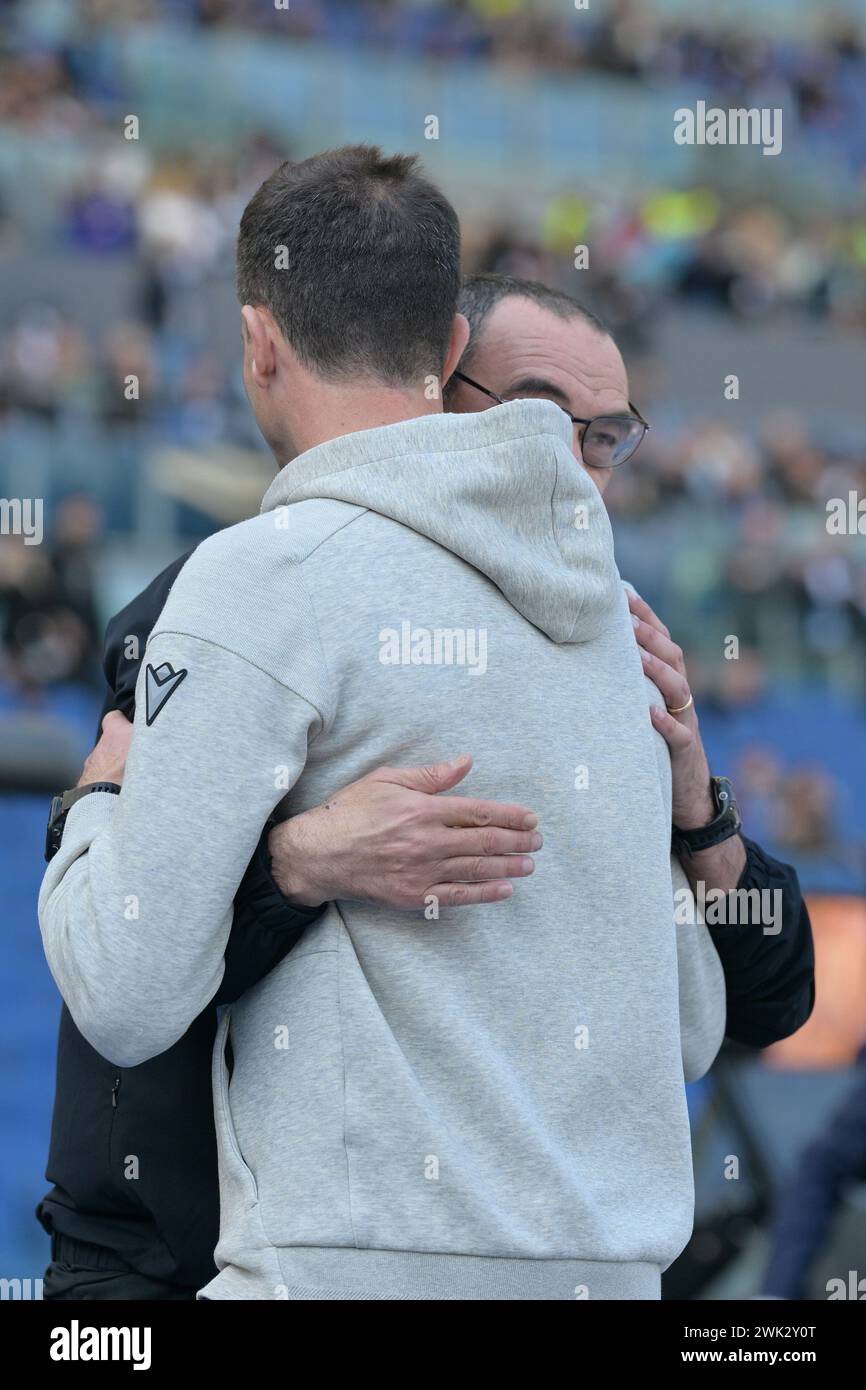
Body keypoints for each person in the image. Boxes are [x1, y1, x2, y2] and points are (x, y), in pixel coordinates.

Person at [446, 272, 815, 1049]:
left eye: (604, 438)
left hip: (623, 1163)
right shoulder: (309, 585)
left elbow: (775, 1004)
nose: (575, 468)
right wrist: (302, 865)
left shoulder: (628, 630)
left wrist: (700, 817)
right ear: (438, 389)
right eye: (539, 418)